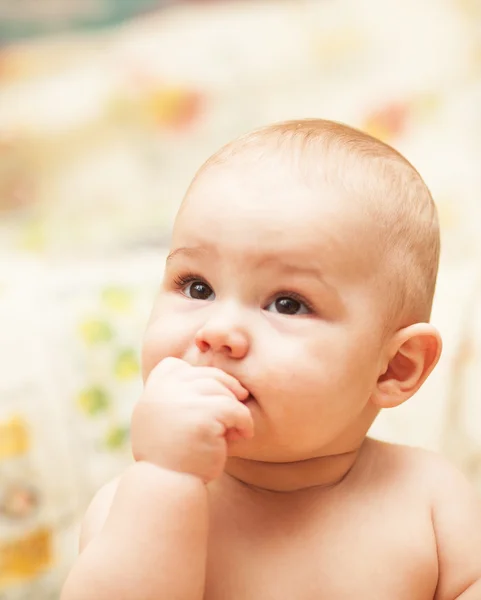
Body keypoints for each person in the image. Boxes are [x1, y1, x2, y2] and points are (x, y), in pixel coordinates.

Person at [61, 119, 481, 599]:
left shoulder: (431, 500)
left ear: (394, 367)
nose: (218, 331)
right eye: (198, 288)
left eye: (287, 303)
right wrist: (166, 479)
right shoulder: (135, 510)